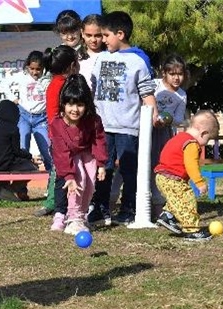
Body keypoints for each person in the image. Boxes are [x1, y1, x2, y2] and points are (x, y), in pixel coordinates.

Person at [88, 10, 159, 226]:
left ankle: (129, 209)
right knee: (103, 168)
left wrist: (153, 115)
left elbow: (147, 94)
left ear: (120, 34)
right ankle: (99, 208)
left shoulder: (138, 62)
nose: (102, 40)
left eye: (106, 35)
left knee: (129, 170)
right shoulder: (100, 59)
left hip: (128, 127)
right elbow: (93, 90)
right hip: (103, 126)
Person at [49, 74, 108, 234]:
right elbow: (61, 152)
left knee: (89, 184)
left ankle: (81, 217)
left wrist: (101, 164)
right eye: (71, 104)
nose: (75, 110)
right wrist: (69, 176)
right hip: (68, 156)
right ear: (63, 104)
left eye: (80, 105)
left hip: (87, 153)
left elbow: (99, 140)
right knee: (78, 180)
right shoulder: (57, 124)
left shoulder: (93, 120)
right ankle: (72, 219)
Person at [154, 110, 219, 240]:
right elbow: (191, 165)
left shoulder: (179, 137)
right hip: (173, 178)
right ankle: (191, 230)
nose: (206, 142)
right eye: (208, 139)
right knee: (187, 200)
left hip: (162, 176)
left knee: (178, 200)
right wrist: (199, 182)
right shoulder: (191, 144)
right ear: (203, 133)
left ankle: (168, 215)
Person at [32, 45, 80, 218]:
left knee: (58, 169)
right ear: (71, 66)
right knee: (59, 171)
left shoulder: (55, 83)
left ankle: (57, 204)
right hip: (63, 134)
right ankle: (55, 204)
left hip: (56, 134)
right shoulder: (63, 85)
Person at [1, 50, 53, 172]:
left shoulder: (47, 78)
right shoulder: (22, 76)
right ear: (27, 66)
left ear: (43, 68)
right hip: (23, 116)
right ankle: (21, 186)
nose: (35, 72)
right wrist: (13, 99)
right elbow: (4, 84)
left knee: (48, 152)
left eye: (38, 69)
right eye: (32, 69)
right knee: (23, 149)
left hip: (41, 119)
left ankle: (52, 187)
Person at [151, 54, 189, 218]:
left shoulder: (181, 95)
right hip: (145, 130)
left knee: (159, 167)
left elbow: (179, 119)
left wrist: (166, 118)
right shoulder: (154, 85)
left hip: (164, 134)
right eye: (172, 74)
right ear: (164, 73)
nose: (176, 78)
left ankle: (158, 207)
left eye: (179, 74)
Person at [0, 100, 38, 202]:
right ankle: (7, 190)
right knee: (32, 167)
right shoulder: (12, 128)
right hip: (3, 166)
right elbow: (17, 152)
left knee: (2, 161)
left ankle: (1, 191)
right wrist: (29, 156)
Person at [79, 14, 105, 91]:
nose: (93, 40)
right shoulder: (76, 56)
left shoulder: (111, 56)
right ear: (82, 33)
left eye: (98, 36)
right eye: (89, 35)